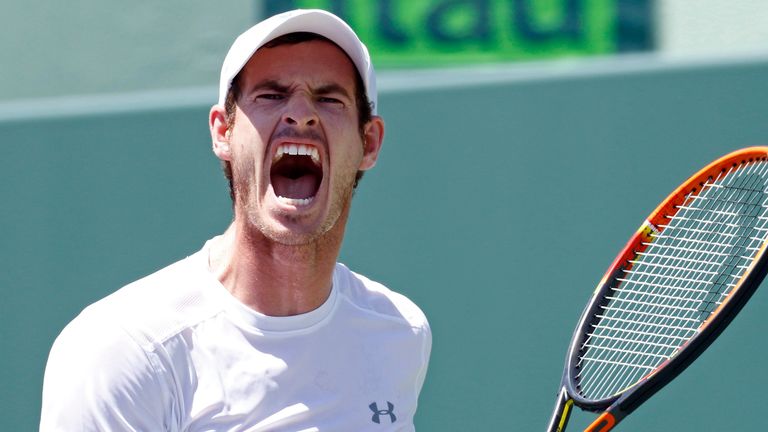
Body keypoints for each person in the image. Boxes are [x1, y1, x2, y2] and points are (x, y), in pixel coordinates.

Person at [40, 9, 431, 431]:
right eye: (271, 95)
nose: (300, 113)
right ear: (223, 132)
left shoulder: (400, 332)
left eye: (328, 98)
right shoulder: (121, 351)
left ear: (369, 142)